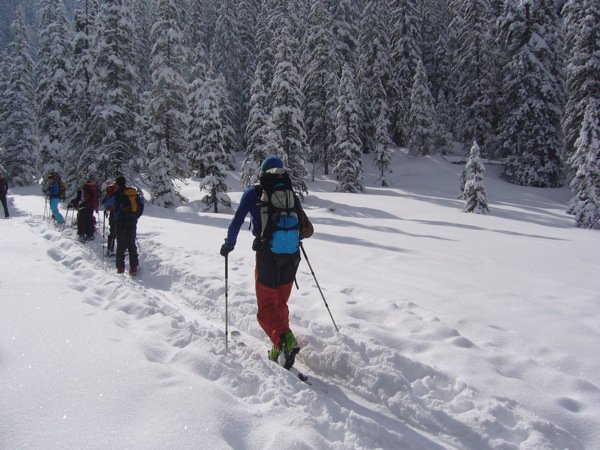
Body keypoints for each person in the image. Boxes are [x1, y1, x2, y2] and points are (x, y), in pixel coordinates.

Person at [220, 155, 313, 369]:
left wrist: (228, 244)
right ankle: (279, 346)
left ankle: (284, 340)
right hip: (291, 258)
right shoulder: (290, 195)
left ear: (262, 172)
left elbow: (236, 223)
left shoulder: (253, 194)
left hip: (267, 256)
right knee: (280, 303)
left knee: (266, 307)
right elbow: (308, 229)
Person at [102, 175, 143, 275]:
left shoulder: (117, 194)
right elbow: (141, 205)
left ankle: (120, 268)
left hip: (120, 222)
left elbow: (106, 204)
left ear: (117, 183)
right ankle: (133, 268)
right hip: (132, 221)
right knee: (131, 244)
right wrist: (135, 217)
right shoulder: (132, 193)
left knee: (121, 245)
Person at [69, 174, 98, 241]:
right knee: (89, 219)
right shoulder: (92, 188)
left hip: (84, 206)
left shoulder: (83, 189)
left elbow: (79, 199)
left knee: (81, 219)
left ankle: (81, 234)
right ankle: (90, 235)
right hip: (91, 206)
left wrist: (73, 202)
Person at [101, 181, 119, 256]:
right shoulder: (120, 193)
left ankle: (109, 249)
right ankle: (121, 249)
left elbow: (105, 203)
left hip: (113, 215)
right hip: (121, 216)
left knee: (112, 233)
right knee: (119, 233)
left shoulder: (112, 193)